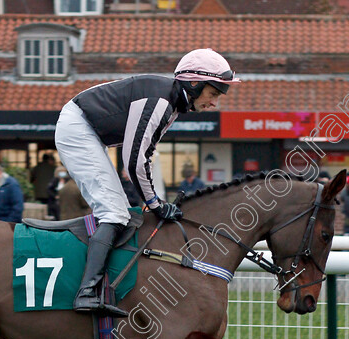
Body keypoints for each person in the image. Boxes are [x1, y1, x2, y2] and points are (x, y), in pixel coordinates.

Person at [54, 48, 239, 316]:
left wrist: (152, 201)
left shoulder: (172, 104)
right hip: (79, 128)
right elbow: (134, 160)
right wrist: (155, 203)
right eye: (213, 94)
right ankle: (86, 293)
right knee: (114, 213)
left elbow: (144, 156)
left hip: (88, 129)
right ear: (195, 83)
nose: (215, 103)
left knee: (119, 212)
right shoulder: (162, 102)